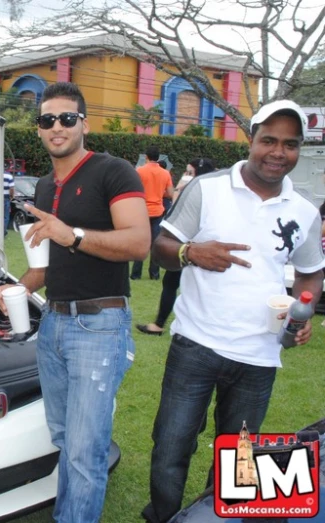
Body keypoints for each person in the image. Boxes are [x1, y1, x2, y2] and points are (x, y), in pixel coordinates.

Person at [142, 100, 325, 523]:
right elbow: (162, 249)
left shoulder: (304, 212)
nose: (279, 152)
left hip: (259, 356)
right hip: (196, 345)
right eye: (269, 141)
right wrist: (191, 251)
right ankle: (164, 516)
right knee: (171, 444)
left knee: (238, 455)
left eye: (291, 144)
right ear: (252, 139)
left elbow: (311, 274)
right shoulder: (208, 188)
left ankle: (217, 517)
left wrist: (305, 310)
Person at [0, 82, 150, 523]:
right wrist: (21, 287)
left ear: (84, 122)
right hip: (54, 325)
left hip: (99, 325)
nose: (56, 127)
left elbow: (139, 241)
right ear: (40, 129)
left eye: (66, 118)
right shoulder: (44, 186)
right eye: (47, 120)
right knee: (65, 437)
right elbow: (45, 265)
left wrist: (74, 234)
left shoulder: (113, 171)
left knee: (85, 450)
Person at [136, 158, 216, 336]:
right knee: (173, 282)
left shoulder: (197, 193)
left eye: (189, 172)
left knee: (176, 283)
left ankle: (159, 324)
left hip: (190, 246)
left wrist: (180, 188)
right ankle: (160, 323)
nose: (185, 175)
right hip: (189, 245)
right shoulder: (214, 192)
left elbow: (176, 208)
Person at [131, 145, 174, 280]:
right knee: (155, 243)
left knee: (140, 242)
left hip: (142, 210)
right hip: (157, 211)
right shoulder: (165, 173)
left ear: (146, 157)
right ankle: (154, 274)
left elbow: (133, 189)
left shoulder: (139, 171)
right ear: (158, 157)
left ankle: (135, 274)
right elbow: (170, 194)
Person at [3, 168, 15, 235]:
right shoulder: (9, 176)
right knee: (6, 216)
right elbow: (11, 188)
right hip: (6, 198)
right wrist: (12, 196)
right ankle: (3, 232)